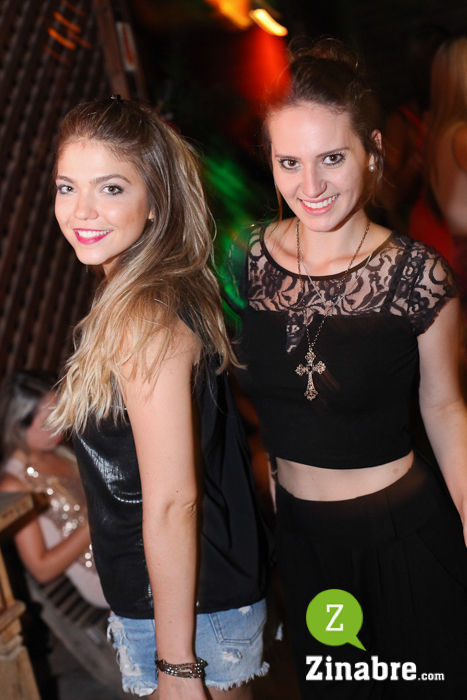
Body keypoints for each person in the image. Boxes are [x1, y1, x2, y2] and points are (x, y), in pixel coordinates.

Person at [230, 37, 467, 699]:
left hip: (404, 538)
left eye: (331, 158)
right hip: (305, 547)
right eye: (289, 162)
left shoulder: (417, 276)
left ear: (372, 150)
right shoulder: (246, 262)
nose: (309, 187)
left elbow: (444, 408)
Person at [49, 96, 270, 699]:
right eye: (67, 187)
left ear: (155, 202)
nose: (81, 210)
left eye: (111, 188)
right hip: (187, 604)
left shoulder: (142, 316)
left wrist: (177, 665)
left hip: (188, 619)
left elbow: (174, 500)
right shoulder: (146, 290)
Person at [0, 370, 108, 608]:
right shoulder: (14, 484)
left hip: (118, 547)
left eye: (61, 413)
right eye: (49, 421)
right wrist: (97, 516)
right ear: (18, 427)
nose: (61, 426)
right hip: (102, 577)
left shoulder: (55, 451)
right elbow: (41, 569)